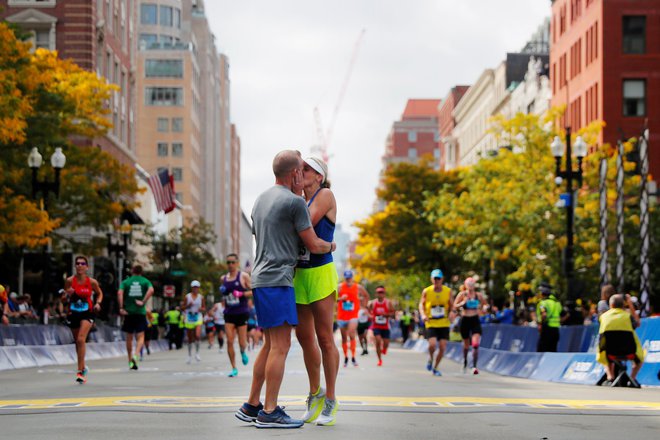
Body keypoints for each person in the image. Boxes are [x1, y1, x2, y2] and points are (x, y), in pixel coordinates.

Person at [234, 150, 335, 429]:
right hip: (279, 279)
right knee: (281, 346)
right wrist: (331, 246)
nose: (302, 174)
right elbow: (314, 244)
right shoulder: (294, 203)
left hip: (260, 277)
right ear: (294, 174)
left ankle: (252, 404)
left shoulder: (261, 199)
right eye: (300, 170)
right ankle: (269, 411)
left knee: (269, 344)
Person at [292, 156, 340, 425]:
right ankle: (315, 393)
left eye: (307, 169)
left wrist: (293, 194)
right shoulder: (298, 198)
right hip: (299, 273)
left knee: (324, 338)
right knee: (303, 337)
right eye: (300, 169)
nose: (301, 172)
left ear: (319, 176)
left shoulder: (324, 194)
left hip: (321, 272)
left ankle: (331, 400)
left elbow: (303, 224)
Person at [62, 256, 103, 384]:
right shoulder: (69, 281)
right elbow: (63, 298)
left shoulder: (92, 282)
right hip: (73, 312)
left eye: (82, 263)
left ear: (87, 267)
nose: (80, 266)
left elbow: (100, 293)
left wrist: (98, 303)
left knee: (81, 339)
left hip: (87, 312)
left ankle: (80, 371)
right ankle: (83, 367)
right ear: (75, 266)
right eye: (77, 264)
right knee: (77, 342)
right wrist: (66, 294)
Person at [597, 294, 645, 385]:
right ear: (623, 305)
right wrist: (630, 304)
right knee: (640, 358)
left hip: (610, 353)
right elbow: (638, 323)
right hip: (630, 352)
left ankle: (610, 377)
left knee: (604, 349)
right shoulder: (628, 316)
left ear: (611, 305)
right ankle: (632, 379)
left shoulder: (603, 317)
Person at [220, 254, 252, 377]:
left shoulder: (243, 276)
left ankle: (243, 351)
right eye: (228, 262)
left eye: (233, 262)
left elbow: (253, 289)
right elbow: (224, 294)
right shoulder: (223, 278)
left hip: (242, 312)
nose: (230, 265)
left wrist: (241, 294)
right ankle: (234, 368)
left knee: (242, 342)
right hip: (229, 313)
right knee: (229, 341)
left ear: (237, 263)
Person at [117, 264, 154, 370]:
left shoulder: (126, 282)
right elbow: (151, 290)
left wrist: (121, 307)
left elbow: (120, 293)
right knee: (140, 336)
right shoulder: (145, 281)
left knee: (129, 337)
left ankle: (130, 361)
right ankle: (136, 355)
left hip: (128, 313)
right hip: (140, 312)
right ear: (141, 272)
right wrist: (143, 302)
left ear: (132, 271)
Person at [419, 269, 453, 377]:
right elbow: (421, 304)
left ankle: (436, 367)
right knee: (432, 345)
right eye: (435, 278)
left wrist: (452, 313)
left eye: (438, 278)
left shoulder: (448, 291)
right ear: (431, 279)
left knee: (442, 347)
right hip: (431, 322)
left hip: (444, 322)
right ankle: (430, 358)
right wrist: (423, 315)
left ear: (442, 279)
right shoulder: (427, 291)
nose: (436, 281)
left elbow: (452, 305)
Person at [337, 270, 370, 367]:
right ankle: (346, 357)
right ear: (344, 278)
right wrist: (340, 299)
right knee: (344, 338)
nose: (348, 280)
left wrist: (363, 307)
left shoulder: (358, 287)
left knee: (351, 334)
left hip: (353, 315)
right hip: (342, 316)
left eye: (349, 278)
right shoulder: (339, 287)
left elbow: (366, 296)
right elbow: (332, 299)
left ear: (352, 278)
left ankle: (353, 357)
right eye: (346, 278)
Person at [453, 277, 485, 374]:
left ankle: (474, 366)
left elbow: (484, 305)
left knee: (475, 344)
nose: (470, 286)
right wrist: (463, 303)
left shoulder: (478, 295)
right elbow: (454, 305)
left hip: (475, 319)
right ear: (465, 285)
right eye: (469, 284)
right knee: (466, 344)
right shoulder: (462, 294)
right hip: (465, 320)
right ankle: (465, 361)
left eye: (472, 284)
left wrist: (482, 309)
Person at [368, 286, 395, 367]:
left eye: (382, 292)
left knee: (386, 343)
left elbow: (393, 313)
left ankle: (384, 349)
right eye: (379, 292)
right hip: (376, 325)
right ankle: (379, 360)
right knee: (378, 341)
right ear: (376, 294)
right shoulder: (373, 303)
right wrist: (371, 316)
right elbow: (368, 311)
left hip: (385, 326)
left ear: (384, 294)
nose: (380, 294)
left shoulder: (388, 303)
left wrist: (386, 315)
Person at [182, 280, 206, 363]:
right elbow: (182, 307)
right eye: (194, 287)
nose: (195, 289)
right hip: (189, 317)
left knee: (197, 335)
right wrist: (188, 305)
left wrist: (201, 309)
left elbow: (204, 308)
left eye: (197, 287)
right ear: (192, 288)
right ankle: (189, 355)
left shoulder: (201, 297)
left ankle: (197, 353)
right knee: (190, 338)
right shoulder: (187, 297)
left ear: (198, 288)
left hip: (197, 317)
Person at [536, 282, 561, 352]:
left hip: (547, 329)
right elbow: (563, 314)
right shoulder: (556, 302)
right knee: (553, 351)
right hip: (556, 329)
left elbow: (544, 314)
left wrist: (540, 324)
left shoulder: (543, 302)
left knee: (541, 351)